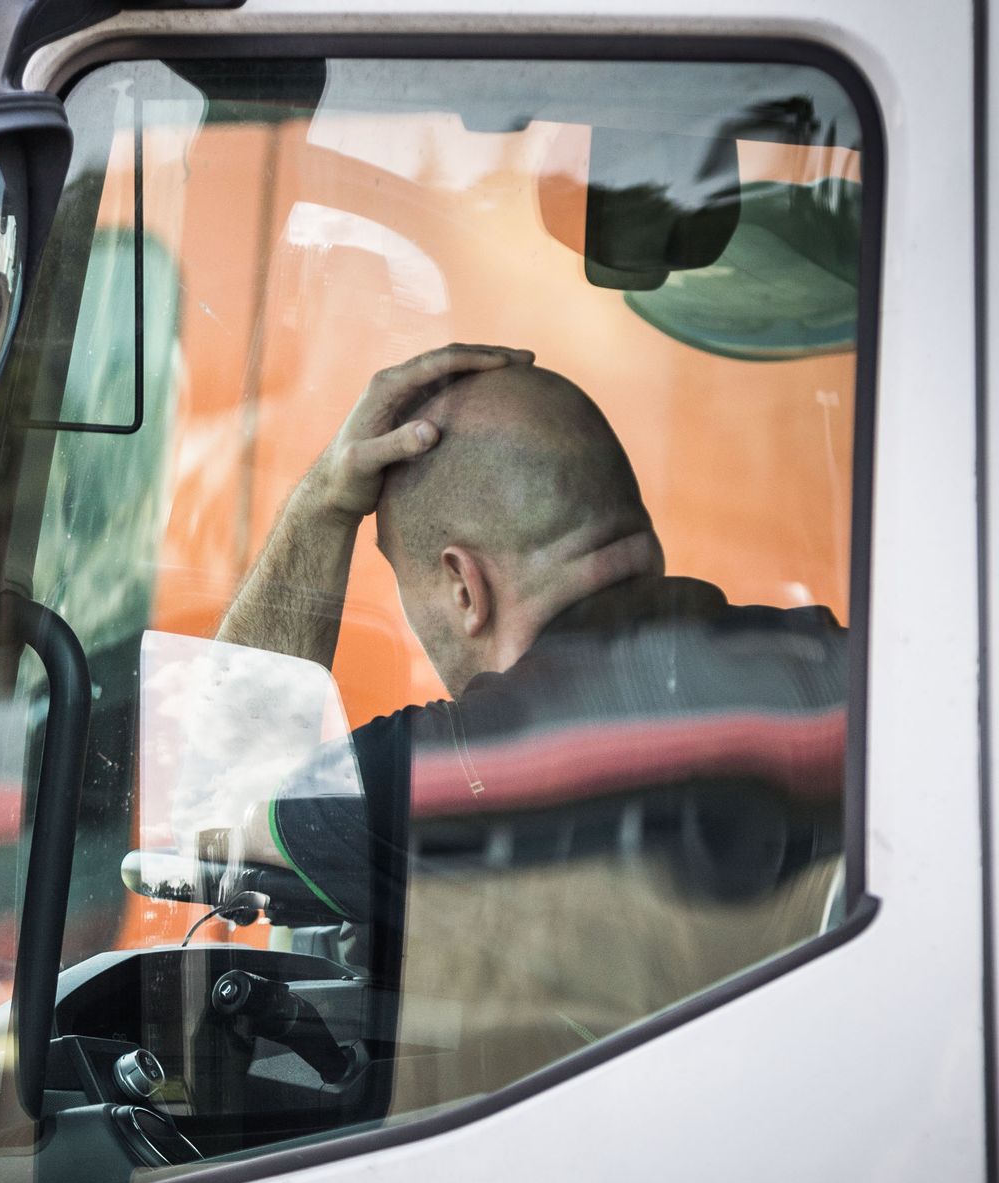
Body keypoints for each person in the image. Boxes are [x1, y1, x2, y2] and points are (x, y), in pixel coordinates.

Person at [217, 345, 848, 1101]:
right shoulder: (848, 667)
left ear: (462, 585)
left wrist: (323, 501)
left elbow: (213, 809)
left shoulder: (446, 777)